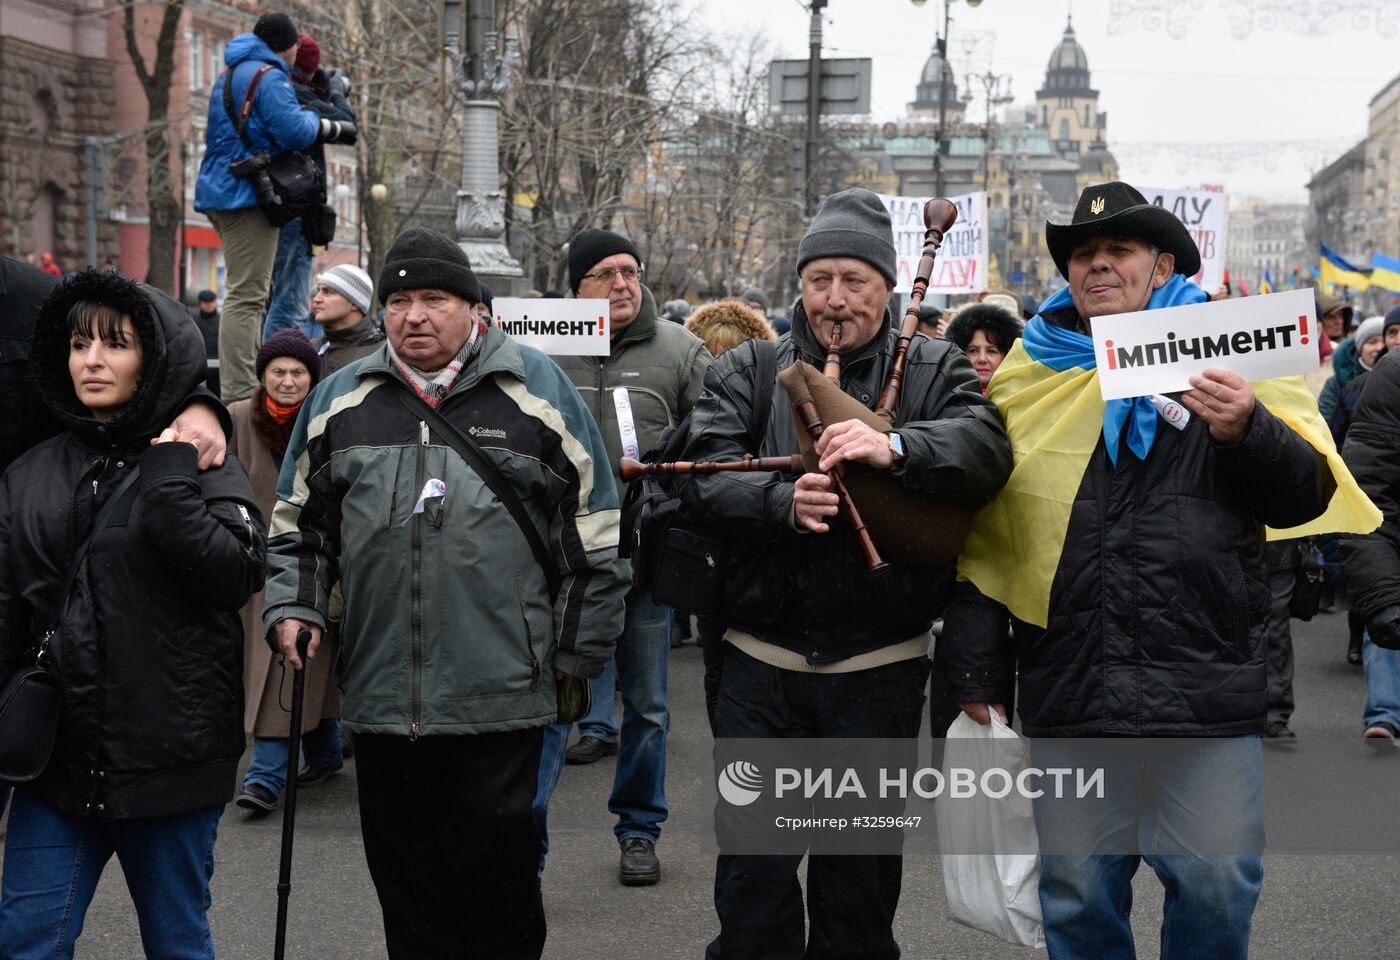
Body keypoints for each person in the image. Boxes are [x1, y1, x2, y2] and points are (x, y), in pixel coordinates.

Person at [942, 181, 1376, 960]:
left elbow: (1305, 494)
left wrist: (1249, 429)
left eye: (1120, 250)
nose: (1099, 265)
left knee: (1218, 883)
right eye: (1084, 254)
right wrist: (976, 668)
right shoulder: (1030, 372)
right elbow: (989, 530)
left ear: (1163, 265)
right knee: (1076, 895)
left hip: (1203, 686)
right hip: (1073, 685)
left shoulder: (1235, 354)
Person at [262, 227, 628, 958]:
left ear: (473, 308)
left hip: (502, 695)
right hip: (382, 697)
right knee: (408, 895)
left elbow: (595, 535)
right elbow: (298, 525)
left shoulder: (536, 391)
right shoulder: (341, 399)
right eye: (399, 301)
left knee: (500, 896)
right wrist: (295, 605)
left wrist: (571, 658)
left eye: (434, 299)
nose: (414, 316)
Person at [679, 188, 1013, 959]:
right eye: (819, 279)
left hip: (877, 671)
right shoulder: (750, 368)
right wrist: (780, 503)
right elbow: (703, 474)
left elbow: (987, 450)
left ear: (887, 288)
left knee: (857, 886)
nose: (835, 298)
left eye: (854, 280)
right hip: (760, 667)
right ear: (799, 285)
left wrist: (895, 447)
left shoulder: (932, 366)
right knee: (753, 883)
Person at [0, 269, 266, 958]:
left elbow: (233, 575)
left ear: (152, 358)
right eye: (79, 344)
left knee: (176, 944)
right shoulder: (29, 472)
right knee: (27, 941)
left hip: (171, 764)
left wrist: (171, 477)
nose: (92, 360)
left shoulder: (202, 459)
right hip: (57, 767)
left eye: (114, 345)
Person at [536, 227, 711, 886]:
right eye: (604, 273)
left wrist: (677, 493)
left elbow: (718, 436)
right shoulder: (541, 346)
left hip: (643, 558)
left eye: (630, 271)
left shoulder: (679, 349)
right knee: (548, 704)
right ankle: (527, 843)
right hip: (558, 562)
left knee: (648, 706)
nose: (621, 284)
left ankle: (639, 829)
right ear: (575, 288)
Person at [194, 11, 354, 404]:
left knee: (247, 294)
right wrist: (318, 119)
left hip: (222, 190)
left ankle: (245, 385)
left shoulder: (230, 73)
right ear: (288, 46)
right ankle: (240, 394)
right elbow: (294, 131)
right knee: (247, 296)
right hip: (246, 196)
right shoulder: (269, 76)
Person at [228, 330, 343, 814]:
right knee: (300, 670)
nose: (288, 381)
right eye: (278, 371)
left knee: (289, 659)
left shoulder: (329, 418)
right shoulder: (237, 417)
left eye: (298, 372)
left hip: (309, 557)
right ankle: (326, 751)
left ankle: (265, 777)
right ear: (263, 375)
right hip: (251, 558)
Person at [682, 299, 778, 733]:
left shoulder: (770, 396)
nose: (722, 364)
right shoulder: (695, 404)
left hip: (760, 554)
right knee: (717, 665)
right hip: (710, 556)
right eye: (712, 354)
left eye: (732, 353)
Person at [262, 34, 357, 342]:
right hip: (295, 204)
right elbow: (347, 124)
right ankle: (279, 363)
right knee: (290, 303)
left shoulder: (271, 87)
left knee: (267, 298)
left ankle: (266, 361)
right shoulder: (293, 94)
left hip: (275, 202)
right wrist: (335, 90)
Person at [1339, 347, 1400, 743]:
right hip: (1392, 553)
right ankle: (1385, 711)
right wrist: (1382, 597)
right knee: (1387, 630)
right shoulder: (1393, 374)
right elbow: (1368, 495)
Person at [309, 263, 382, 376]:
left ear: (354, 303)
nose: (316, 299)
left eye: (327, 292)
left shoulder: (382, 354)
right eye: (318, 291)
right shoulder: (310, 349)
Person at [942, 300, 1021, 393]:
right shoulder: (943, 396)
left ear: (1007, 356)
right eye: (973, 351)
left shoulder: (1020, 396)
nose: (982, 359)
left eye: (991, 351)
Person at [192, 289, 221, 394]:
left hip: (219, 368)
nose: (209, 305)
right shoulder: (193, 321)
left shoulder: (222, 321)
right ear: (200, 303)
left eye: (211, 301)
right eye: (206, 302)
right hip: (199, 367)